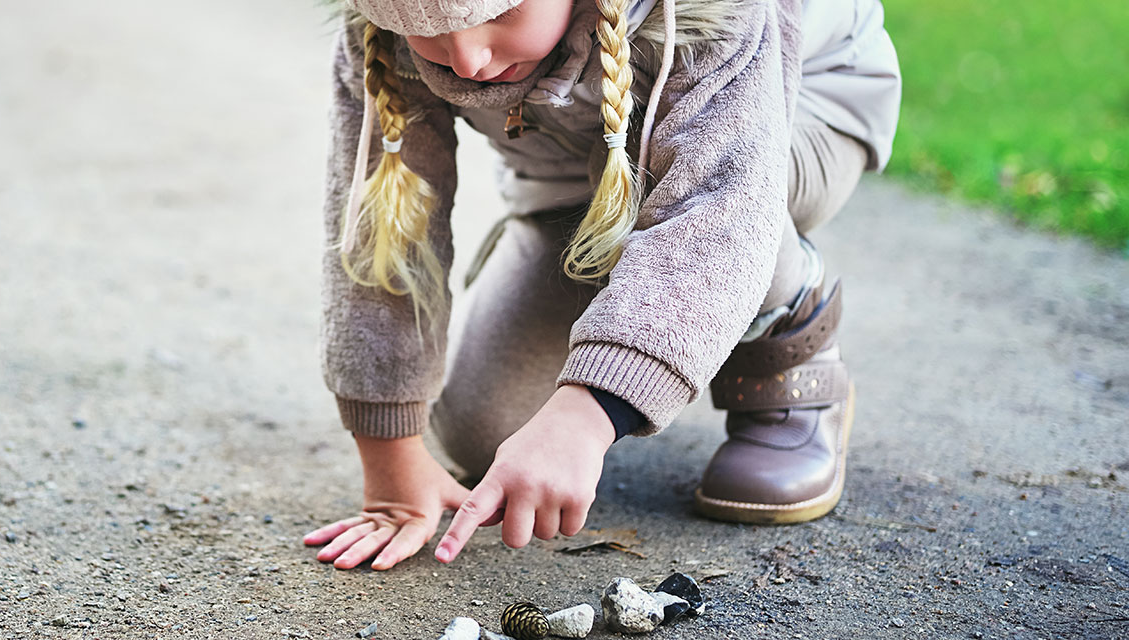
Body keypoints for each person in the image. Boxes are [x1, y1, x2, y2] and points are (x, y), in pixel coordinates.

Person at [304, 0, 901, 571]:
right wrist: (392, 462)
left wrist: (588, 416)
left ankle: (786, 328)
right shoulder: (391, 31)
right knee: (484, 433)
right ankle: (637, 293)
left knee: (685, 208)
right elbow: (379, 231)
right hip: (576, 183)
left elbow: (716, 205)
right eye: (430, 28)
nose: (467, 60)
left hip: (790, 120)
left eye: (500, 14)